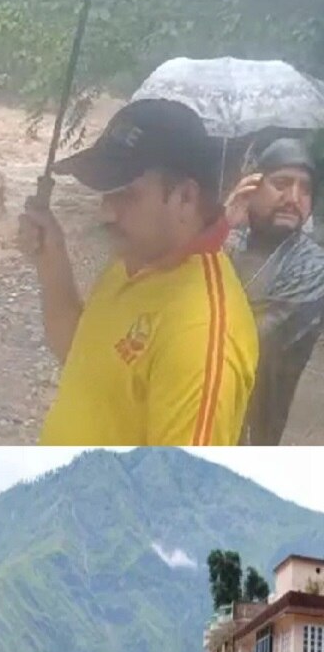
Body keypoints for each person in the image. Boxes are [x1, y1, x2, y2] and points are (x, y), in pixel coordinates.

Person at [18, 98, 258, 446]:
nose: (106, 213)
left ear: (185, 198)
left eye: (126, 194)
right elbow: (81, 358)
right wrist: (51, 261)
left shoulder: (201, 335)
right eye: (106, 195)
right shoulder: (136, 259)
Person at [222, 138, 324, 445]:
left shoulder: (311, 267)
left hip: (252, 433)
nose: (294, 197)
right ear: (251, 187)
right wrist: (218, 231)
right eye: (281, 183)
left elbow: (250, 344)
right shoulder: (231, 241)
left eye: (305, 189)